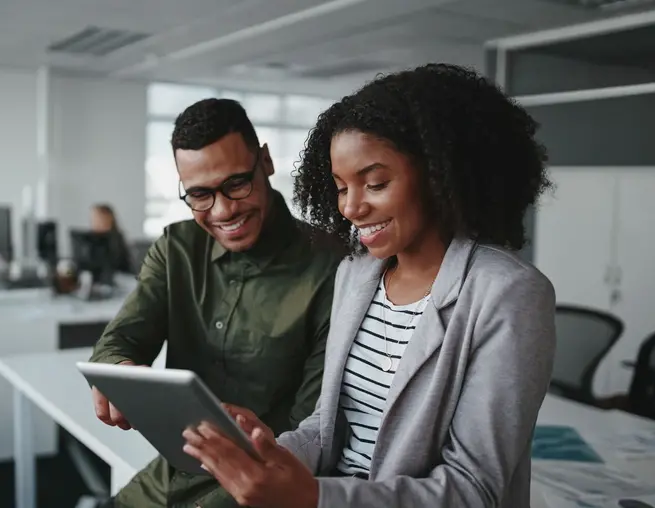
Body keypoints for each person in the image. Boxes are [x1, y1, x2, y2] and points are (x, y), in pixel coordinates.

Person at [182, 64, 556, 508]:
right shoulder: (355, 274)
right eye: (341, 188)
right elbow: (328, 426)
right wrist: (270, 452)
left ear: (439, 173)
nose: (352, 208)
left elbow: (475, 489)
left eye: (375, 183)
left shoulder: (508, 293)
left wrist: (315, 496)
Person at [89, 98, 341, 508]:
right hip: (167, 479)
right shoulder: (176, 249)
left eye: (237, 184)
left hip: (251, 491)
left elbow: (312, 432)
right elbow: (117, 343)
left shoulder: (330, 268)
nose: (223, 210)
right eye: (200, 195)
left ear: (266, 161)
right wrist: (119, 373)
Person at [90, 203, 133, 274]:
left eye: (98, 219)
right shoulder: (89, 240)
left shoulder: (116, 239)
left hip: (119, 277)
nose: (95, 223)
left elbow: (112, 264)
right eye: (93, 219)